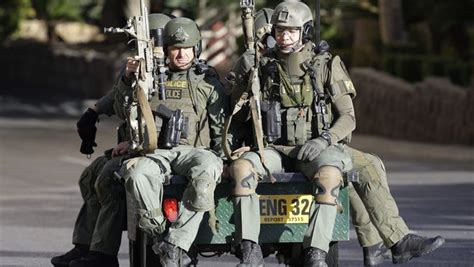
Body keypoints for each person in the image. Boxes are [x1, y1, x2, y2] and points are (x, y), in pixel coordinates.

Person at [228, 2, 445, 266]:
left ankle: (379, 243)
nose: (284, 36)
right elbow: (236, 112)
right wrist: (244, 72)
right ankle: (251, 251)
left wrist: (324, 140)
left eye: (292, 31)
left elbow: (348, 118)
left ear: (305, 31)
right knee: (244, 169)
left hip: (317, 148)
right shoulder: (260, 65)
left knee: (353, 168)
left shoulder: (325, 65)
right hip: (273, 149)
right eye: (281, 30)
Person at [50, 13, 173, 267]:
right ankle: (86, 246)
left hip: (158, 148)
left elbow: (169, 117)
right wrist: (93, 112)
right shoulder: (143, 70)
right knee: (90, 174)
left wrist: (137, 142)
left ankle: (103, 255)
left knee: (109, 178)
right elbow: (121, 95)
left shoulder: (172, 76)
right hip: (135, 146)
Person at [115, 17, 229, 266]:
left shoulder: (208, 83)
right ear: (166, 50)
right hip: (156, 152)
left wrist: (225, 156)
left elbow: (221, 128)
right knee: (136, 174)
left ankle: (176, 242)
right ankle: (159, 233)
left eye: (186, 48)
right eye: (175, 48)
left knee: (209, 166)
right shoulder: (150, 79)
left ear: (196, 49)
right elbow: (123, 109)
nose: (180, 54)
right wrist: (127, 80)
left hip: (194, 151)